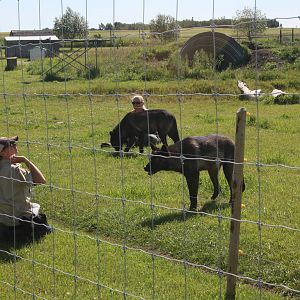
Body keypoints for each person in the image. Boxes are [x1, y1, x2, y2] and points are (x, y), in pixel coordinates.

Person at [0, 136, 51, 243]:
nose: (15, 145)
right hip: (17, 219)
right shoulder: (13, 170)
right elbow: (40, 180)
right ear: (2, 153)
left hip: (3, 217)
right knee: (46, 227)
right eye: (11, 145)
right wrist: (25, 160)